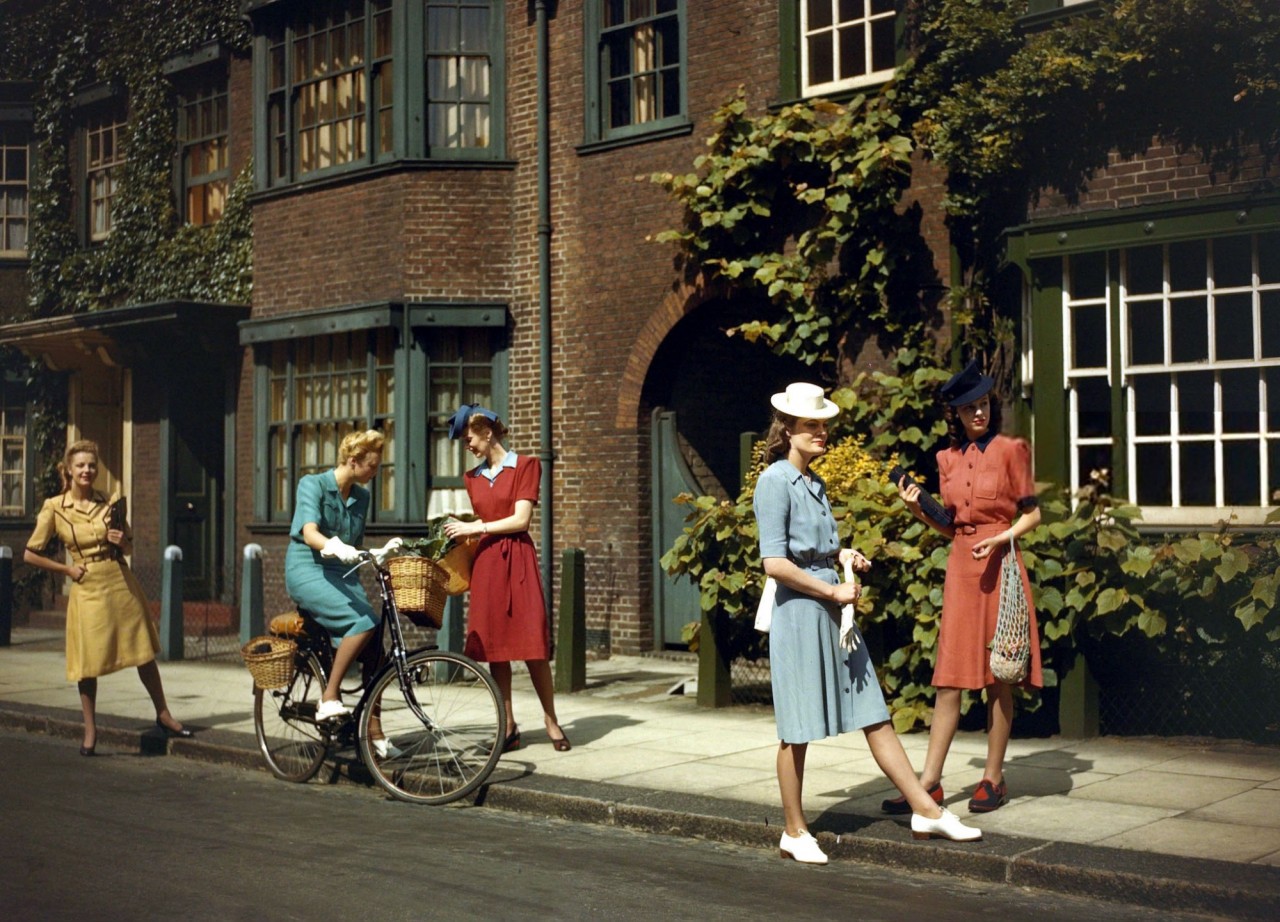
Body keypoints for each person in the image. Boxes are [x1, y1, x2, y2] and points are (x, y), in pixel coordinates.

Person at [754, 383, 981, 864]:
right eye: (812, 425)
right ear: (788, 430)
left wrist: (840, 554)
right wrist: (832, 588)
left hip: (835, 614)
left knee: (873, 710)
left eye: (823, 424)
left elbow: (809, 548)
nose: (822, 432)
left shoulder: (813, 482)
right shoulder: (774, 481)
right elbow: (774, 562)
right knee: (796, 730)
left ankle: (925, 809)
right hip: (800, 615)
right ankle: (794, 831)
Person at [891, 360, 1043, 815]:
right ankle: (929, 784)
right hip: (961, 572)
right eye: (968, 408)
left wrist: (1004, 536)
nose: (978, 413)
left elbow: (1032, 515)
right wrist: (918, 509)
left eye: (983, 405)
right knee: (949, 681)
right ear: (954, 415)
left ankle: (993, 779)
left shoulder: (1012, 451)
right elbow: (952, 525)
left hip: (1001, 567)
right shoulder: (946, 460)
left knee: (1000, 677)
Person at [23, 439, 192, 756]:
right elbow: (31, 555)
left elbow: (128, 545)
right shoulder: (54, 508)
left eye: (91, 465)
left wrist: (122, 541)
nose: (87, 470)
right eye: (81, 466)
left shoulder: (110, 503)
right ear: (69, 471)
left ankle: (163, 714)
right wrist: (68, 570)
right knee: (88, 663)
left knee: (143, 652)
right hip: (86, 588)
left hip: (119, 581)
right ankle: (90, 730)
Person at [442, 405, 569, 753]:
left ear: (487, 431)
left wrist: (474, 527)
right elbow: (487, 519)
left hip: (518, 560)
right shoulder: (472, 478)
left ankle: (551, 719)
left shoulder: (527, 466)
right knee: (497, 649)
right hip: (488, 565)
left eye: (469, 437)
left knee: (534, 647)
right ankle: (508, 725)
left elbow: (520, 520)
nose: (466, 445)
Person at [284, 429, 387, 723]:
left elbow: (352, 546)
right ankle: (330, 695)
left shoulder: (361, 497)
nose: (375, 472)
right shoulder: (312, 484)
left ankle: (374, 732)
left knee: (376, 646)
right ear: (354, 461)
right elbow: (310, 533)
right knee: (363, 622)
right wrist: (333, 546)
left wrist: (380, 552)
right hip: (308, 568)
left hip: (343, 573)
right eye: (372, 466)